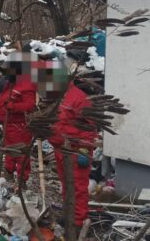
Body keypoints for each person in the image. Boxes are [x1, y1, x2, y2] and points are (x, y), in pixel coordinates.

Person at [48, 76, 99, 231]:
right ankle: (69, 213)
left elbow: (90, 128)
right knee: (66, 184)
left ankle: (78, 222)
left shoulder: (80, 98)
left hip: (76, 151)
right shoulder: (59, 96)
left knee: (77, 187)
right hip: (61, 150)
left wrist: (84, 151)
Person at [0, 53, 37, 185]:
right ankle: (8, 173)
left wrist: (13, 106)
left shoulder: (26, 84)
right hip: (8, 124)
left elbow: (30, 105)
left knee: (21, 153)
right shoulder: (12, 82)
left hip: (19, 126)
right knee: (9, 150)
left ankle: (21, 180)